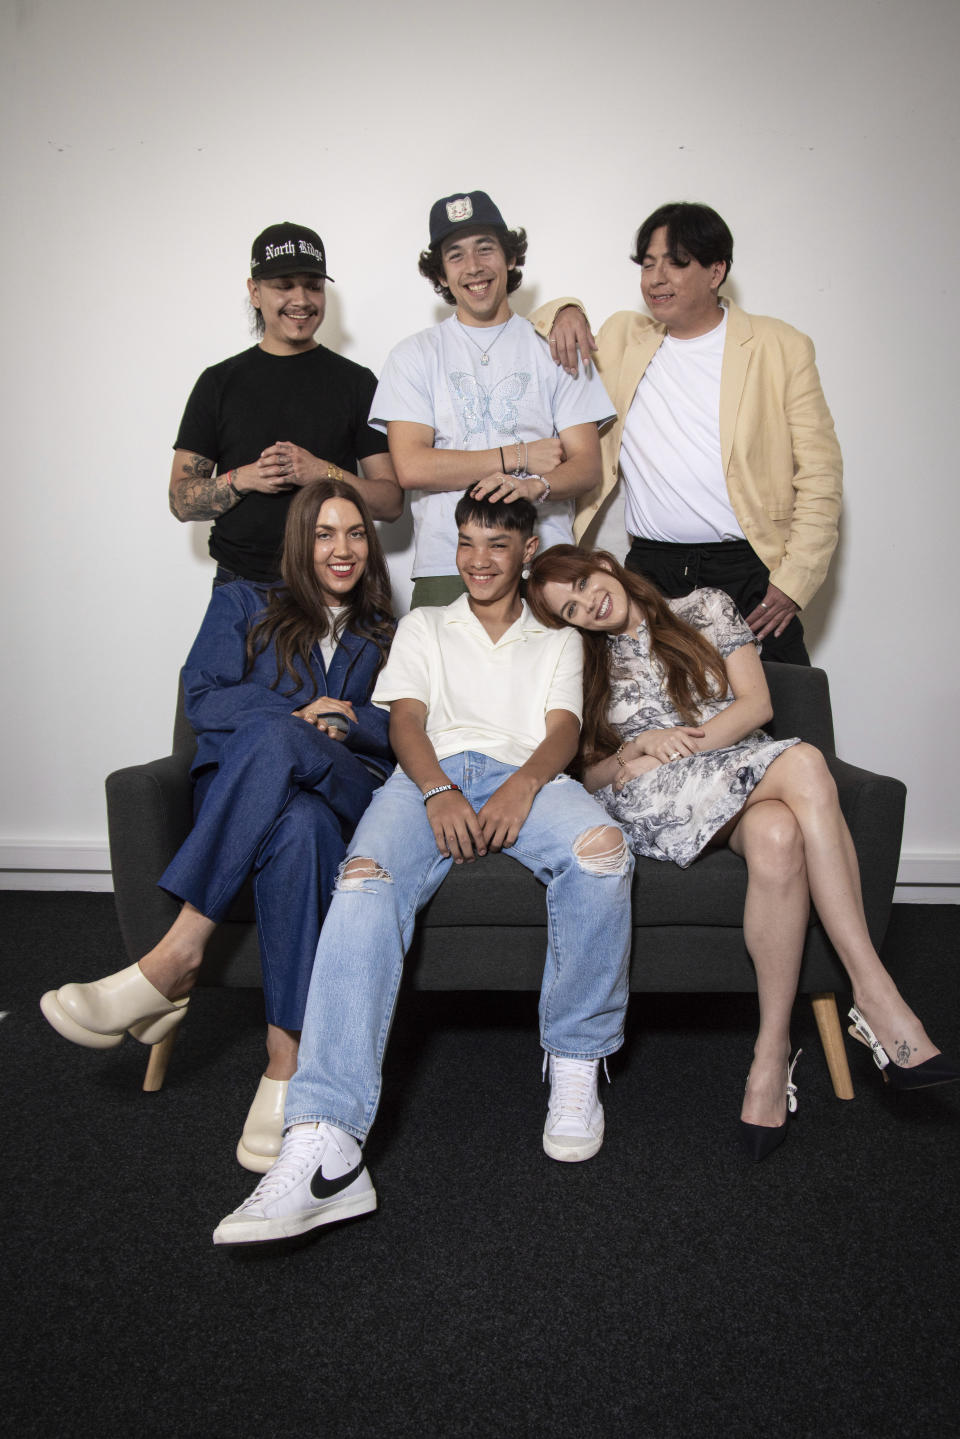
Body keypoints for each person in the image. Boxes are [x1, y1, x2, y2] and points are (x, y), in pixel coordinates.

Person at [212, 493, 634, 1245]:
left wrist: (521, 785)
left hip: (526, 776)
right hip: (427, 776)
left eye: (496, 544)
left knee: (602, 853)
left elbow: (564, 729)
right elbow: (404, 719)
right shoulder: (424, 624)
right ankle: (326, 1142)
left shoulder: (557, 638)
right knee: (364, 878)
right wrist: (438, 788)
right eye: (466, 542)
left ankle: (575, 1059)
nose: (477, 559)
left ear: (527, 550)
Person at [527, 545, 959, 1158]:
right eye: (571, 608)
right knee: (805, 761)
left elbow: (758, 705)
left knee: (781, 835)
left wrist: (687, 741)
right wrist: (636, 748)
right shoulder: (582, 664)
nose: (588, 603)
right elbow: (586, 775)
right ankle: (876, 995)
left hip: (741, 767)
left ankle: (771, 1050)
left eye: (581, 582)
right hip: (658, 795)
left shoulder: (704, 606)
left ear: (602, 562)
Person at [41, 480, 396, 1172]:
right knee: (293, 817)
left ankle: (173, 958)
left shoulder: (385, 630)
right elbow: (203, 697)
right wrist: (293, 717)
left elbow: (410, 721)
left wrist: (351, 718)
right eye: (325, 533)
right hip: (270, 802)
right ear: (300, 540)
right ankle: (286, 1059)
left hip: (349, 785)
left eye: (355, 532)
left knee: (285, 748)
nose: (343, 547)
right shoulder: (241, 603)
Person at [531, 202, 843, 663]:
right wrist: (566, 310)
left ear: (716, 271)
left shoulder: (779, 346)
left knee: (785, 715)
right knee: (666, 723)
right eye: (648, 263)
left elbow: (821, 474)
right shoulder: (623, 336)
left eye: (676, 263)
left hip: (750, 567)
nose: (656, 278)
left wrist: (795, 581)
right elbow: (541, 325)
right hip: (652, 572)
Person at [370, 190, 615, 607]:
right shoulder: (413, 354)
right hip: (446, 564)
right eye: (456, 255)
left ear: (510, 258)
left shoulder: (555, 345)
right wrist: (519, 456)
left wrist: (534, 486)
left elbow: (587, 465)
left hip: (542, 564)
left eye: (486, 249)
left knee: (553, 673)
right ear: (442, 275)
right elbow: (411, 467)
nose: (474, 267)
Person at [169, 220, 402, 586]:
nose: (302, 300)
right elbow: (181, 500)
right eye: (284, 286)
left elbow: (390, 502)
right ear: (255, 292)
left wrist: (321, 473)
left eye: (313, 286)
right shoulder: (218, 382)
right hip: (241, 585)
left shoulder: (356, 382)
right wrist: (245, 478)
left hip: (332, 586)